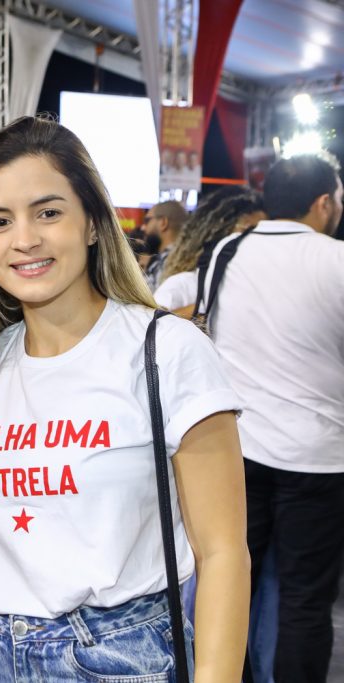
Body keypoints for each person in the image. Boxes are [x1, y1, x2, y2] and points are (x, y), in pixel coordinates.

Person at [0, 116, 250, 682]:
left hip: (120, 655)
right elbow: (6, 519)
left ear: (94, 223)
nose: (24, 239)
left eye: (48, 212)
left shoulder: (164, 349)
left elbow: (223, 553)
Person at [198, 154, 344, 683]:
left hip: (236, 452)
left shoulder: (224, 251)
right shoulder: (336, 260)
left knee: (230, 584)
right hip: (320, 458)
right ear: (324, 202)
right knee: (306, 600)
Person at [154, 188, 265, 315]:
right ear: (218, 232)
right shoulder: (182, 285)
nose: (256, 239)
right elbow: (151, 326)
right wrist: (208, 307)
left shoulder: (257, 286)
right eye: (247, 231)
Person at [142, 199, 188, 290]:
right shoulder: (183, 258)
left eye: (147, 220)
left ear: (163, 222)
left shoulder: (171, 263)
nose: (143, 227)